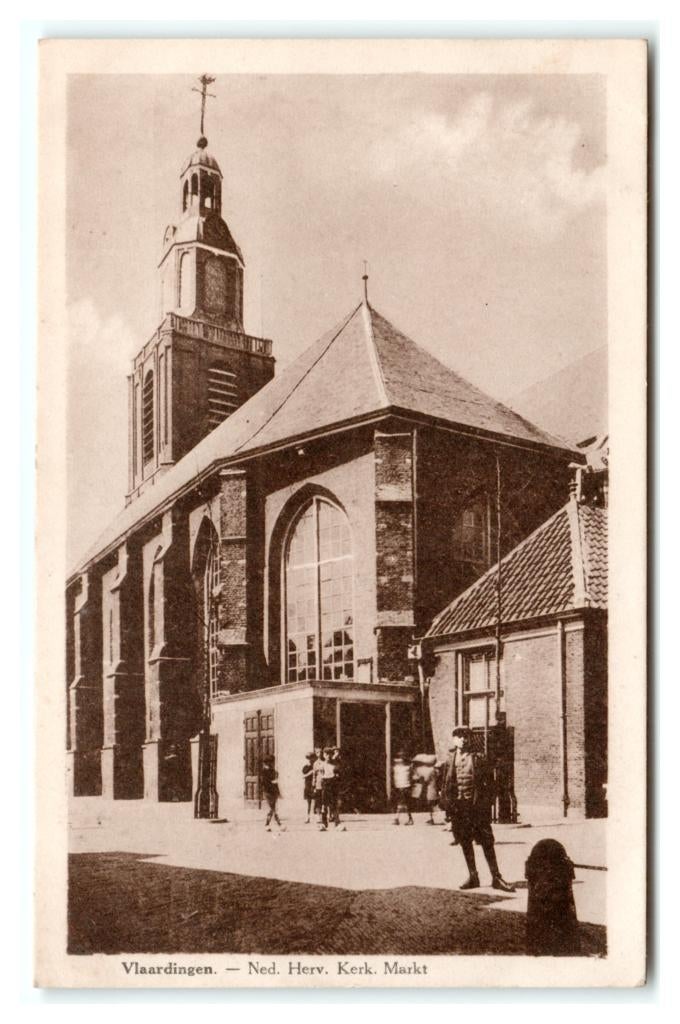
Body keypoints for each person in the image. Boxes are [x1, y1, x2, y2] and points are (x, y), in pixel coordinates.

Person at [443, 727, 514, 892]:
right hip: (459, 808)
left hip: (477, 808)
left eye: (466, 736)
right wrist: (448, 808)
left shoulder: (479, 758)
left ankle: (496, 877)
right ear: (454, 739)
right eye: (459, 736)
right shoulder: (449, 759)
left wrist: (486, 805)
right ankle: (473, 876)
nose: (463, 739)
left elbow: (491, 784)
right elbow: (446, 785)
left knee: (487, 842)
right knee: (465, 842)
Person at [320, 747, 345, 830]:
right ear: (323, 755)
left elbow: (338, 775)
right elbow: (321, 776)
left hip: (333, 784)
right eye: (325, 754)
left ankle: (337, 824)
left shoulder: (335, 764)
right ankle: (324, 824)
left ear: (331, 755)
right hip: (325, 784)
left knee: (334, 805)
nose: (327, 756)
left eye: (329, 754)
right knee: (324, 805)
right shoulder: (322, 765)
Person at [261, 756, 284, 831]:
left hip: (273, 792)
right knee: (272, 809)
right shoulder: (263, 772)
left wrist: (278, 793)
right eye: (269, 762)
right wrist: (272, 782)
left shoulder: (273, 771)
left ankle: (268, 825)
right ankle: (278, 824)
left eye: (272, 762)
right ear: (266, 763)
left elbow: (276, 783)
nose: (271, 764)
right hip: (267, 792)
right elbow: (264, 783)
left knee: (273, 809)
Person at [392, 752, 414, 825]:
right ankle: (408, 819)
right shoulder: (407, 768)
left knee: (401, 803)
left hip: (401, 786)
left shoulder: (396, 768)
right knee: (405, 803)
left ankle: (397, 818)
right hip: (405, 786)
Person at [312, 748, 325, 824]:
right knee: (318, 801)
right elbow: (314, 775)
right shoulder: (315, 763)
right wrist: (313, 785)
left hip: (324, 783)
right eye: (317, 752)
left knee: (325, 800)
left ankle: (326, 816)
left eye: (320, 752)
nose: (319, 754)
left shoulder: (324, 762)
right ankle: (318, 817)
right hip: (318, 784)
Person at [302, 751, 315, 822]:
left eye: (311, 758)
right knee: (308, 802)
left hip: (314, 785)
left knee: (314, 801)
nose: (310, 759)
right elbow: (303, 776)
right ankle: (307, 817)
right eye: (308, 758)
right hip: (307, 785)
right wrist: (310, 772)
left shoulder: (315, 766)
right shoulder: (305, 767)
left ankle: (314, 817)